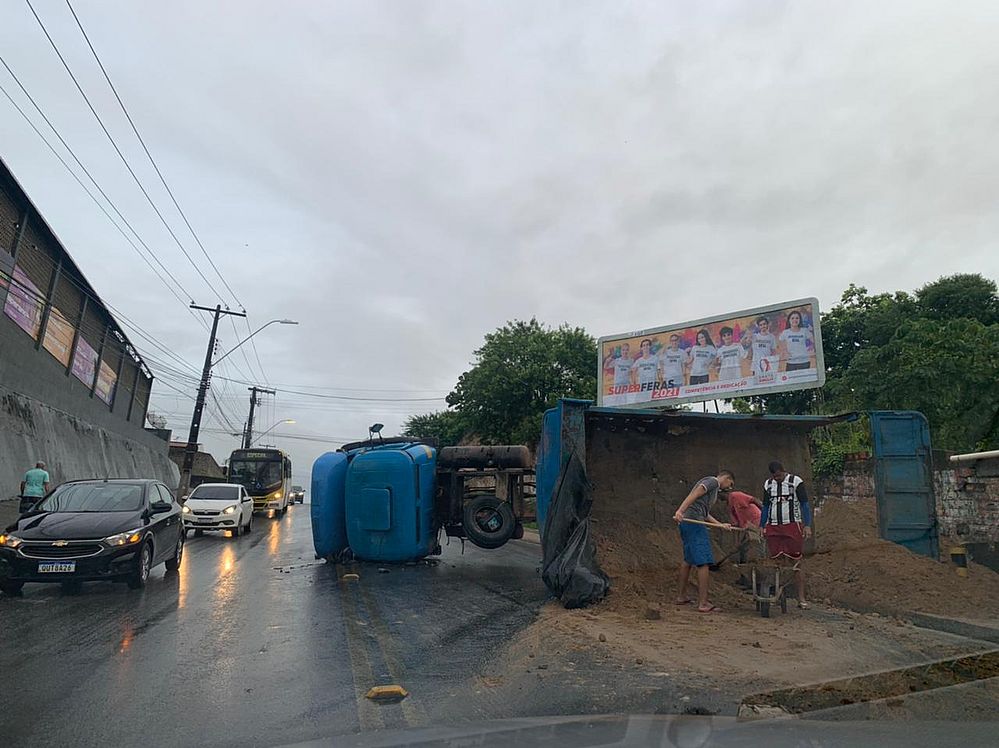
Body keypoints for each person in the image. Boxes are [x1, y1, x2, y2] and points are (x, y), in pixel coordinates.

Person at [673, 470, 735, 613]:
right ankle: (703, 603)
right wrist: (680, 511)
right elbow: (694, 494)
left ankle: (681, 596)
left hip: (689, 522)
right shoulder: (713, 482)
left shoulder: (712, 490)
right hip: (694, 523)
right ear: (726, 478)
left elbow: (704, 513)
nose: (729, 488)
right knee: (704, 562)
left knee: (688, 560)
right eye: (730, 484)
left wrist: (720, 525)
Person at [761, 460, 813, 609]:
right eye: (775, 476)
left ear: (783, 471)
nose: (777, 478)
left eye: (779, 475)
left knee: (796, 562)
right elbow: (765, 506)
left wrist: (807, 525)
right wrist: (761, 525)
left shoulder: (795, 482)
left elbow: (804, 504)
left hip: (792, 525)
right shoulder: (768, 485)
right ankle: (778, 593)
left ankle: (801, 598)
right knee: (776, 561)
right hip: (773, 526)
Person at [724, 488, 762, 563]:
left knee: (756, 541)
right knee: (743, 545)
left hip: (754, 519)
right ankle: (743, 563)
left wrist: (766, 513)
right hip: (745, 525)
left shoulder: (735, 495)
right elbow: (736, 522)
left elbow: (754, 500)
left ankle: (758, 561)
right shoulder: (730, 504)